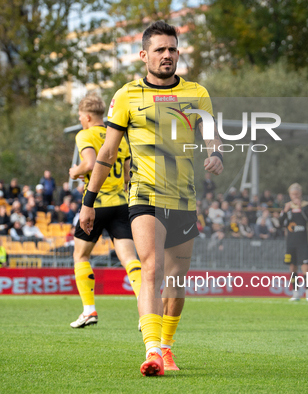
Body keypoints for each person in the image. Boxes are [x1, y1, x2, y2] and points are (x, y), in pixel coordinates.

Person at [78, 21, 223, 376]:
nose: (167, 55)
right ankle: (153, 350)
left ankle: (168, 348)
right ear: (144, 55)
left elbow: (212, 136)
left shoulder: (197, 93)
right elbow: (108, 153)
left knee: (176, 278)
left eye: (172, 49)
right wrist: (88, 200)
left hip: (184, 199)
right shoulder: (126, 95)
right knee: (151, 268)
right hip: (143, 195)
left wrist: (216, 154)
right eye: (160, 50)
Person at [67, 93, 142, 329]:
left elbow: (89, 164)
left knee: (81, 256)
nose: (80, 121)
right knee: (130, 258)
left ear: (87, 117)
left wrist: (75, 171)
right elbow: (129, 173)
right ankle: (146, 309)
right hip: (121, 203)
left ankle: (89, 310)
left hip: (96, 204)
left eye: (80, 117)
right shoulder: (118, 136)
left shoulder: (85, 134)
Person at [280, 183, 308, 302]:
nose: (294, 196)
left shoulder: (306, 206)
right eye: (292, 194)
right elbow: (280, 224)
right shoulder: (287, 206)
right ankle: (295, 293)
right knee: (292, 268)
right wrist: (284, 212)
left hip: (303, 242)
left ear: (300, 194)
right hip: (291, 242)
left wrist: (301, 209)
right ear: (289, 194)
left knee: (305, 267)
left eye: (297, 194)